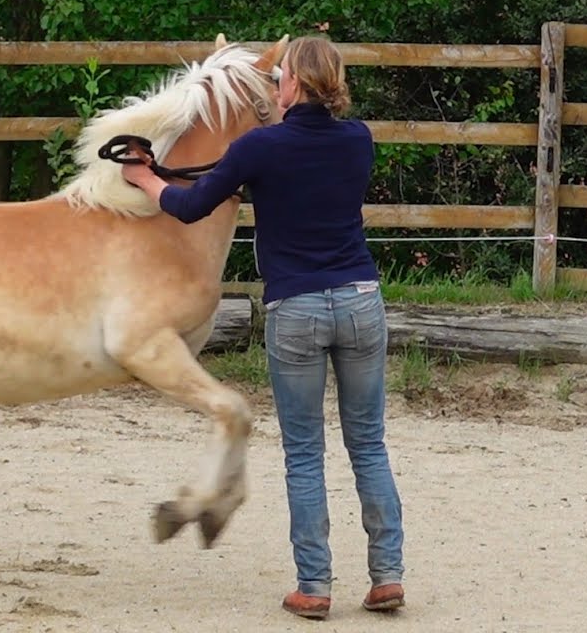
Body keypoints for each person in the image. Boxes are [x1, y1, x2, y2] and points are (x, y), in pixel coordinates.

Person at [122, 35, 405, 620]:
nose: (274, 88)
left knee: (304, 453)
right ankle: (387, 576)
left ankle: (315, 585)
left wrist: (148, 180)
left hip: (296, 307)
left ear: (295, 84)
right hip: (359, 298)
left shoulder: (259, 147)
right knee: (368, 445)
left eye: (281, 80)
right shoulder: (358, 139)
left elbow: (193, 203)